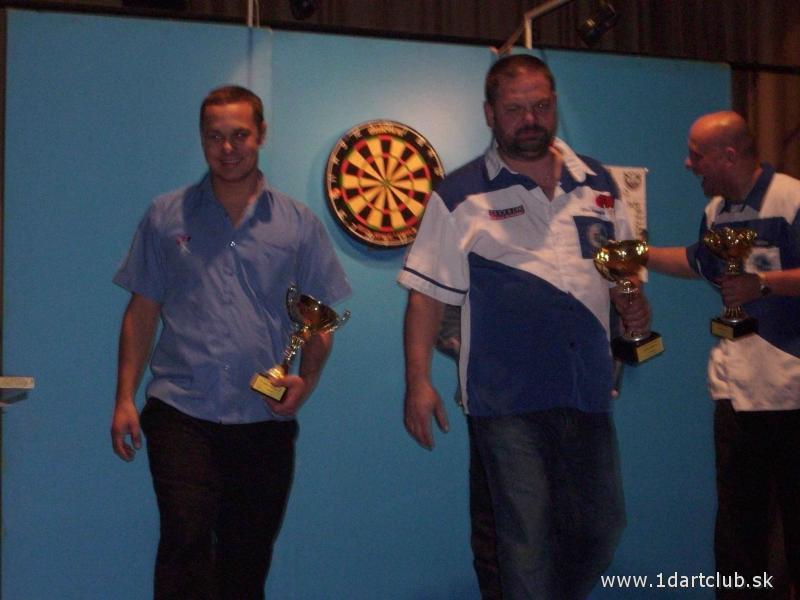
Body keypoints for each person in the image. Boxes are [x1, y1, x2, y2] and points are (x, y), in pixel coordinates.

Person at [398, 54, 652, 599]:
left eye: (540, 106)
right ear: (490, 114)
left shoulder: (599, 182)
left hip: (587, 389)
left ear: (555, 105)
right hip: (506, 400)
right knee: (525, 542)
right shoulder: (459, 195)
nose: (530, 119)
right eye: (515, 109)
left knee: (601, 529)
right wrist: (418, 382)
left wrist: (632, 305)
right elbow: (425, 296)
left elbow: (624, 275)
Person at [110, 85, 351, 599]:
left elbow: (320, 322)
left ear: (261, 134)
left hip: (263, 419)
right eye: (214, 137)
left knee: (247, 560)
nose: (227, 148)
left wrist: (305, 382)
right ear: (201, 139)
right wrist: (124, 398)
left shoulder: (298, 225)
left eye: (239, 135)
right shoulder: (165, 216)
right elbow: (142, 311)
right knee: (185, 543)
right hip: (181, 411)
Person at [648, 110, 800, 598]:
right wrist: (634, 254)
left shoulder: (791, 199)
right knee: (737, 539)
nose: (688, 164)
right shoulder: (716, 212)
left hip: (793, 393)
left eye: (696, 155)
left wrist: (764, 283)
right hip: (736, 394)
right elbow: (697, 262)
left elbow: (762, 282)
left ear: (728, 155)